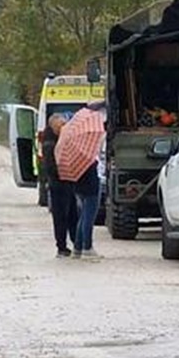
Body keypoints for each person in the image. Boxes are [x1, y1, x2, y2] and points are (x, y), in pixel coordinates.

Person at [71, 101, 106, 259]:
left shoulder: (75, 150)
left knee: (83, 215)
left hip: (78, 186)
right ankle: (87, 248)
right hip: (90, 185)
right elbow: (93, 167)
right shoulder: (87, 151)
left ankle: (77, 248)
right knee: (88, 217)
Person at [43, 114, 78, 258]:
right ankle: (62, 247)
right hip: (58, 185)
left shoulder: (63, 139)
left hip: (68, 182)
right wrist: (63, 172)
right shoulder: (50, 144)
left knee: (73, 214)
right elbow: (51, 168)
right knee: (60, 217)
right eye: (60, 126)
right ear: (53, 127)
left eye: (64, 125)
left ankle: (76, 242)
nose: (63, 128)